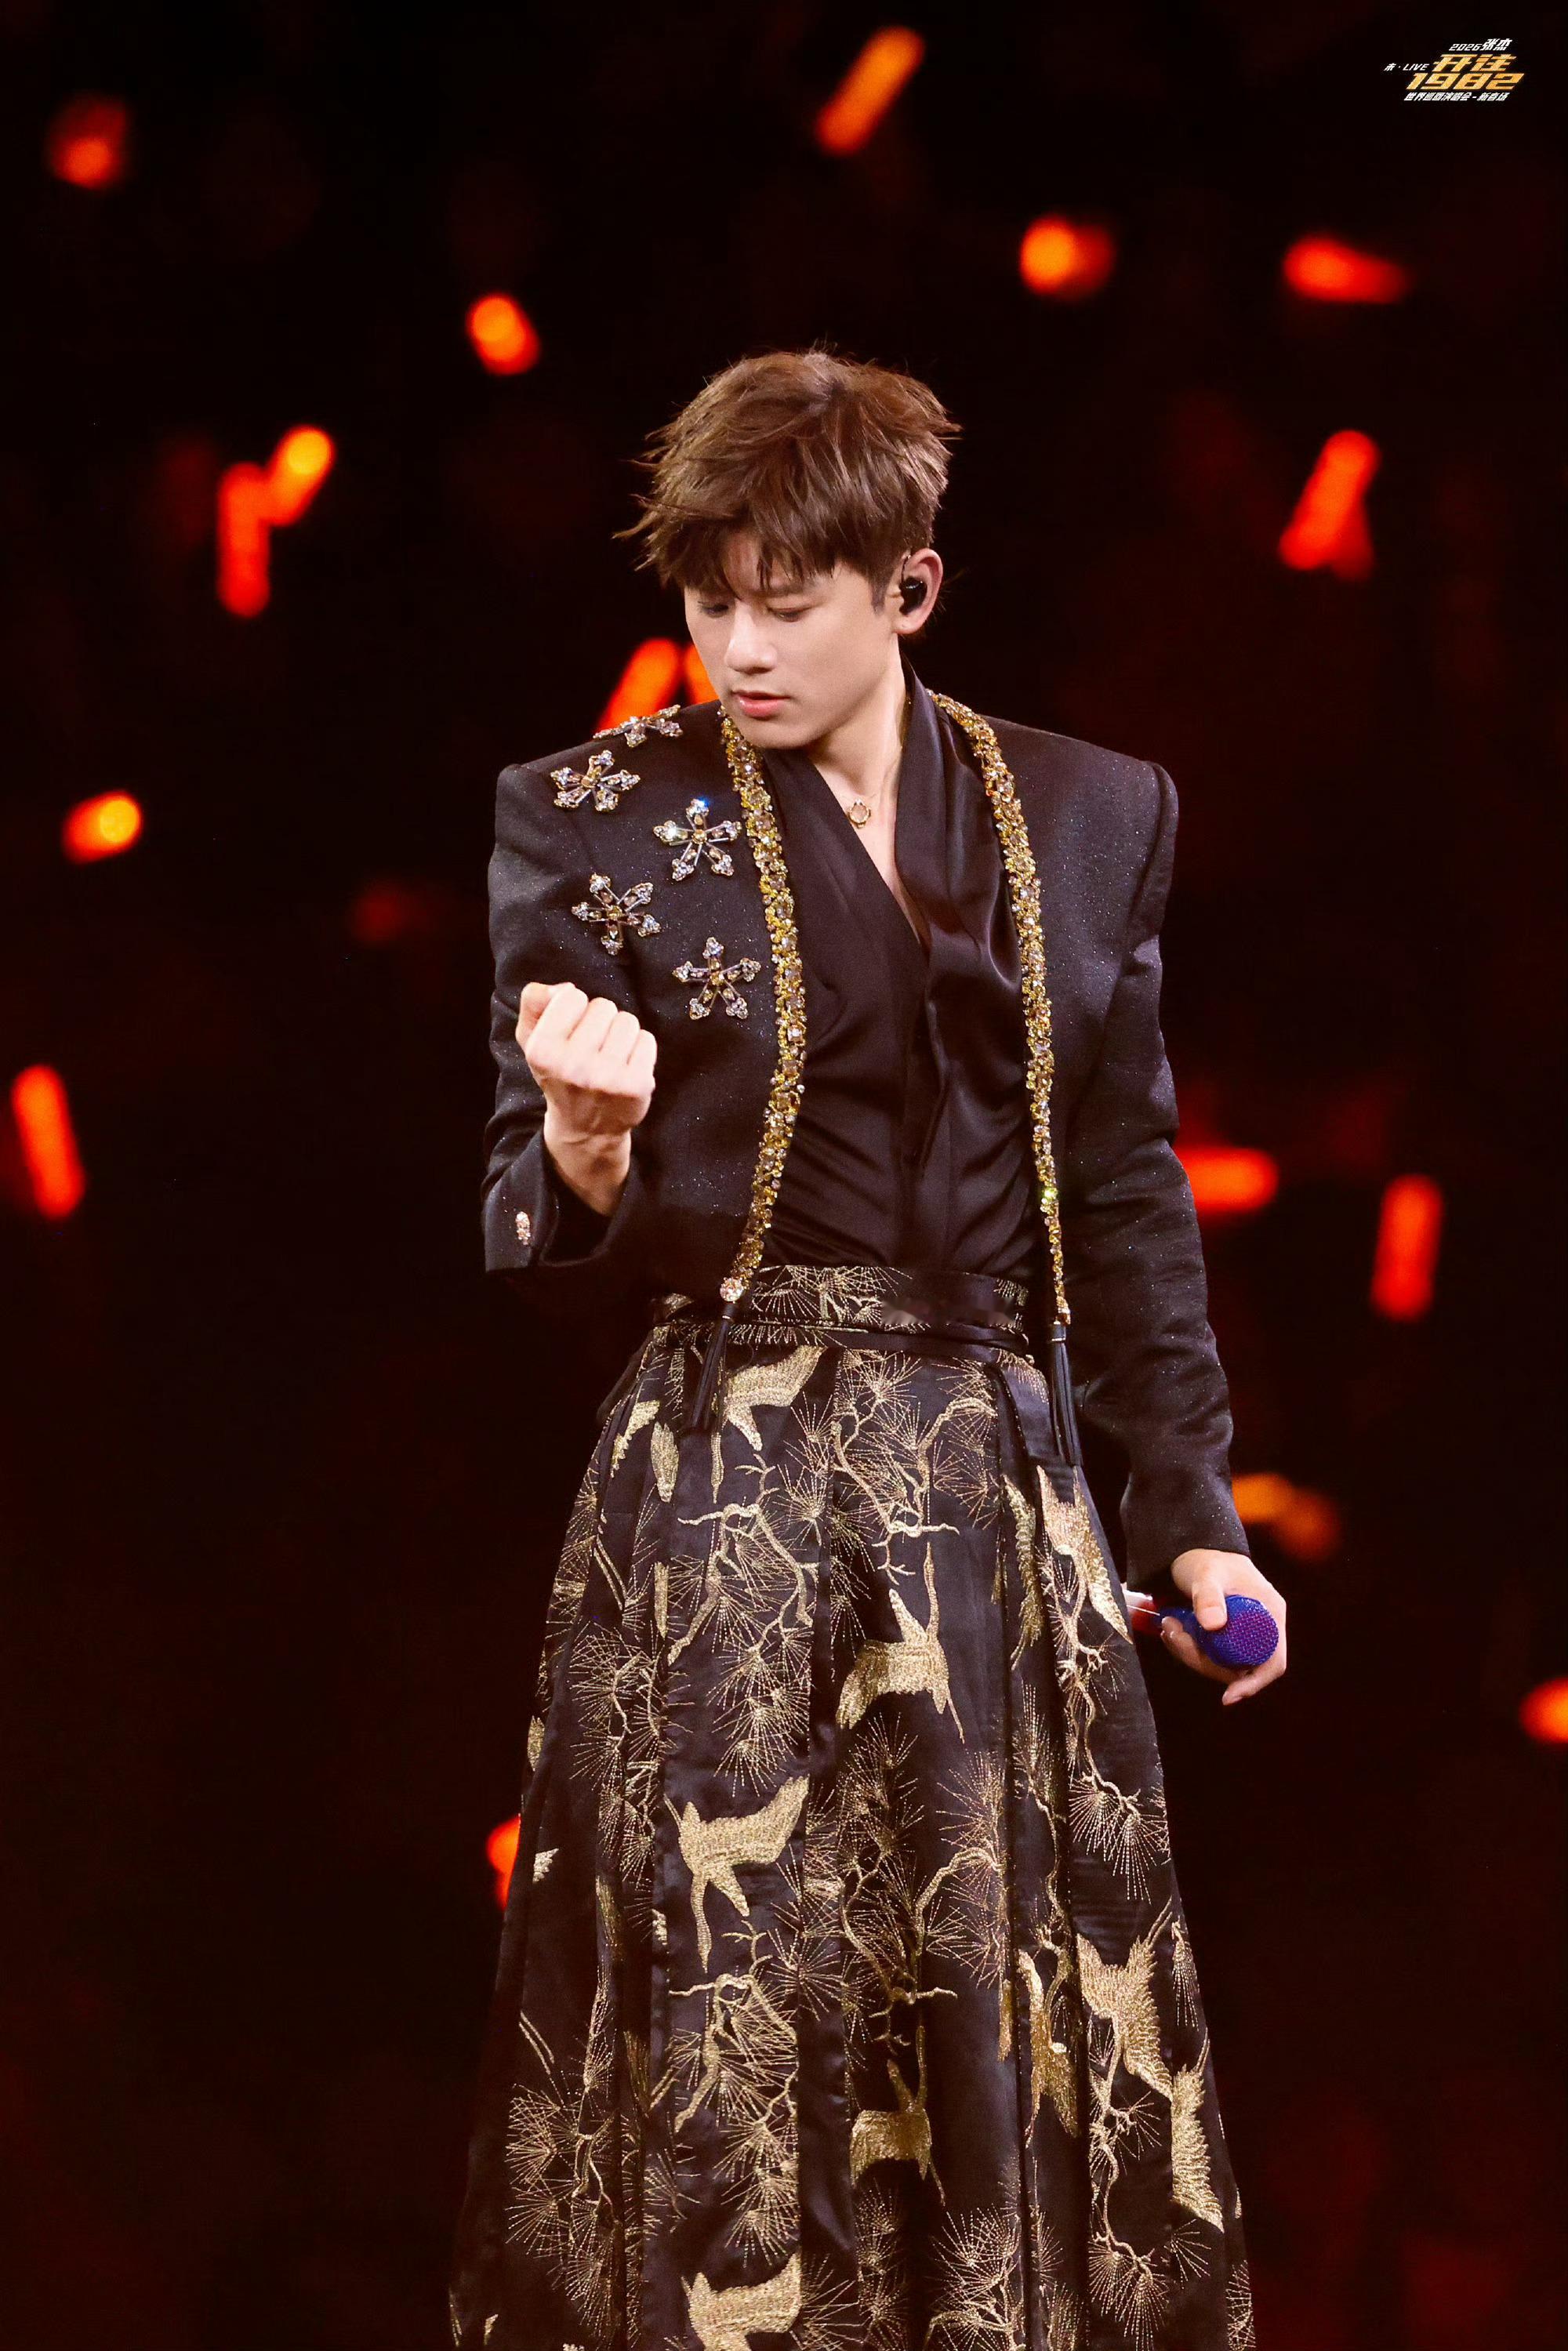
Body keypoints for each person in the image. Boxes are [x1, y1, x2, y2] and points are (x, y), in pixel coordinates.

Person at [448, 348, 1280, 2351]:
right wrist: (587, 1141)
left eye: (786, 602)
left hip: (991, 1499)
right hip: (727, 1498)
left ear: (907, 588)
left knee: (1002, 2017)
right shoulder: (592, 817)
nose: (737, 647)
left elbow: (1125, 1183)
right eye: (706, 600)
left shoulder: (1089, 814)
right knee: (737, 2034)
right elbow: (530, 1222)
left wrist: (1187, 1510)